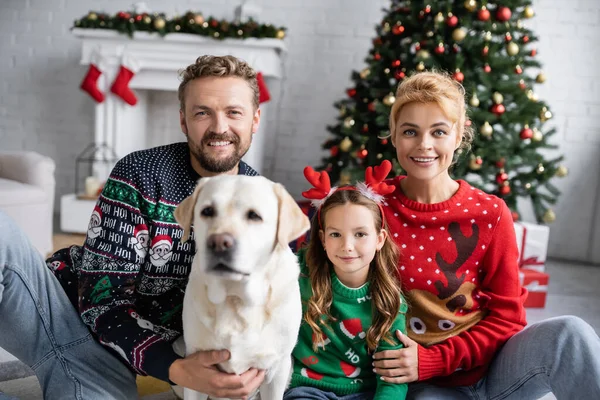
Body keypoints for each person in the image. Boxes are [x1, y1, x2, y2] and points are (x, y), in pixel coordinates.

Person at [0, 55, 268, 400]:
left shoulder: (263, 203)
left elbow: (269, 300)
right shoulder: (141, 172)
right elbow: (101, 298)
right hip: (52, 309)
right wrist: (174, 368)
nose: (219, 127)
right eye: (203, 112)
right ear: (184, 121)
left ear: (254, 120)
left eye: (233, 112)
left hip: (109, 367)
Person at [371, 70, 600, 399]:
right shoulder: (372, 209)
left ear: (458, 136)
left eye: (438, 131)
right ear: (393, 135)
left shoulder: (490, 213)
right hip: (427, 387)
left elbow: (508, 319)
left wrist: (435, 360)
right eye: (410, 131)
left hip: (496, 370)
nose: (424, 145)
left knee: (570, 334)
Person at [284, 160, 408, 400]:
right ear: (322, 239)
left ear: (380, 239)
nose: (347, 246)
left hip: (363, 393)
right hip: (307, 389)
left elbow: (392, 377)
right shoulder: (299, 275)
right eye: (335, 234)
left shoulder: (390, 301)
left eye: (360, 234)